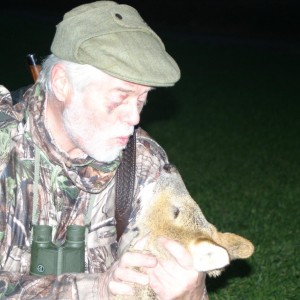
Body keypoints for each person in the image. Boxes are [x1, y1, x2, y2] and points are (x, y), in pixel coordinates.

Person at [0, 1, 208, 299]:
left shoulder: (142, 164)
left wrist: (191, 291)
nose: (135, 117)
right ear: (61, 84)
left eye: (141, 99)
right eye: (120, 97)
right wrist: (94, 289)